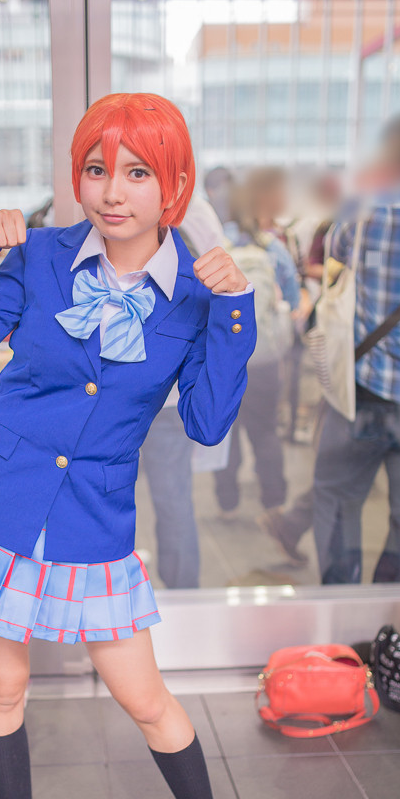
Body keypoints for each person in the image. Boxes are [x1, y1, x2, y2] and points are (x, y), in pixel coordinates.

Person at [0, 92, 256, 799]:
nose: (112, 191)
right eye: (97, 169)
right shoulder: (38, 255)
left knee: (146, 698)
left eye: (137, 173)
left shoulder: (197, 293)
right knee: (4, 685)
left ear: (172, 184)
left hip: (92, 516)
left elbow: (208, 421)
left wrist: (236, 308)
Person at [313, 96, 400, 584]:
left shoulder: (369, 200)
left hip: (361, 387)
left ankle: (340, 605)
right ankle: (388, 616)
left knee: (337, 498)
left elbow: (336, 249)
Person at [138, 189, 227, 588]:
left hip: (148, 389)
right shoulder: (199, 214)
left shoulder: (122, 204)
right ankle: (182, 595)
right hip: (171, 387)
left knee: (100, 495)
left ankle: (178, 595)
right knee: (173, 499)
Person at [214, 177, 300, 520]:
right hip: (264, 359)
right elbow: (292, 300)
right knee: (265, 431)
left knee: (227, 430)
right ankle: (273, 501)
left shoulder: (218, 244)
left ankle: (227, 500)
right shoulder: (274, 249)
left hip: (226, 359)